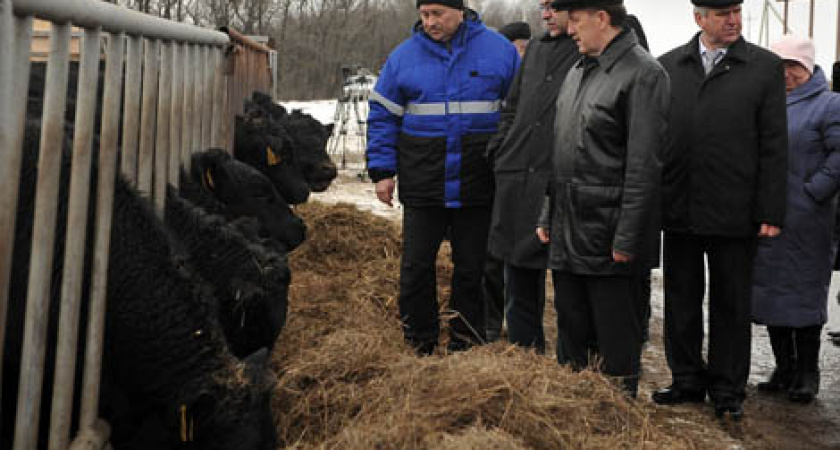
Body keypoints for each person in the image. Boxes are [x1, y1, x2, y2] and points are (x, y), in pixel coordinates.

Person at [653, 0, 787, 420]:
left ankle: (728, 391)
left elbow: (773, 144)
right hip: (680, 208)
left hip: (736, 209)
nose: (732, 20)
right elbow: (657, 139)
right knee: (681, 299)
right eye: (721, 12)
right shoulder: (669, 66)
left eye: (736, 10)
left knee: (731, 304)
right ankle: (687, 380)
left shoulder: (764, 67)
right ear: (699, 18)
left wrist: (771, 209)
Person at [365, 0, 520, 354]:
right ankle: (419, 343)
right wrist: (383, 171)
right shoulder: (403, 57)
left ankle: (466, 344)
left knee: (473, 270)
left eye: (438, 14)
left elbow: (517, 114)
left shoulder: (500, 53)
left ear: (460, 10)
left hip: (479, 181)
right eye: (424, 14)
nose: (430, 22)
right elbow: (383, 115)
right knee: (417, 268)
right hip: (424, 182)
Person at [536, 0, 669, 397]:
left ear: (602, 18)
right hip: (568, 229)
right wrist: (548, 212)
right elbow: (560, 151)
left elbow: (644, 166)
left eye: (575, 20)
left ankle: (617, 426)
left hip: (610, 237)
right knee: (572, 337)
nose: (569, 28)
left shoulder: (644, 75)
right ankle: (573, 418)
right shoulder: (578, 70)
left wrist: (627, 238)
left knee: (615, 347)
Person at [485, 0, 578, 355]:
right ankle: (525, 356)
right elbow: (514, 104)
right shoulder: (537, 48)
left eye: (555, 7)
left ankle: (574, 366)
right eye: (543, 7)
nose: (546, 14)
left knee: (570, 280)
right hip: (518, 176)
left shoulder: (592, 48)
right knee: (519, 272)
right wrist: (501, 146)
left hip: (563, 178)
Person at [752, 35, 840, 404]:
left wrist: (813, 192)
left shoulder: (830, 104)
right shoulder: (766, 104)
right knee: (771, 292)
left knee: (803, 294)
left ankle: (807, 371)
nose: (786, 74)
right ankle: (782, 367)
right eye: (780, 66)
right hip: (769, 216)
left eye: (793, 66)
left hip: (808, 220)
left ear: (808, 67)